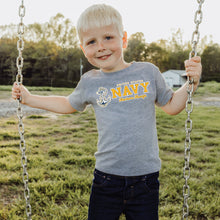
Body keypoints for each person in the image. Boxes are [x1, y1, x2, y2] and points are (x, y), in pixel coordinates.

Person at [12, 4, 202, 220]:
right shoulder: (90, 81)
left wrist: (190, 84)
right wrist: (29, 98)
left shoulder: (148, 72)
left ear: (124, 39)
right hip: (106, 179)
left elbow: (171, 106)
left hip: (145, 181)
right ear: (83, 48)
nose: (100, 46)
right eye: (91, 42)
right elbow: (67, 104)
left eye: (108, 37)